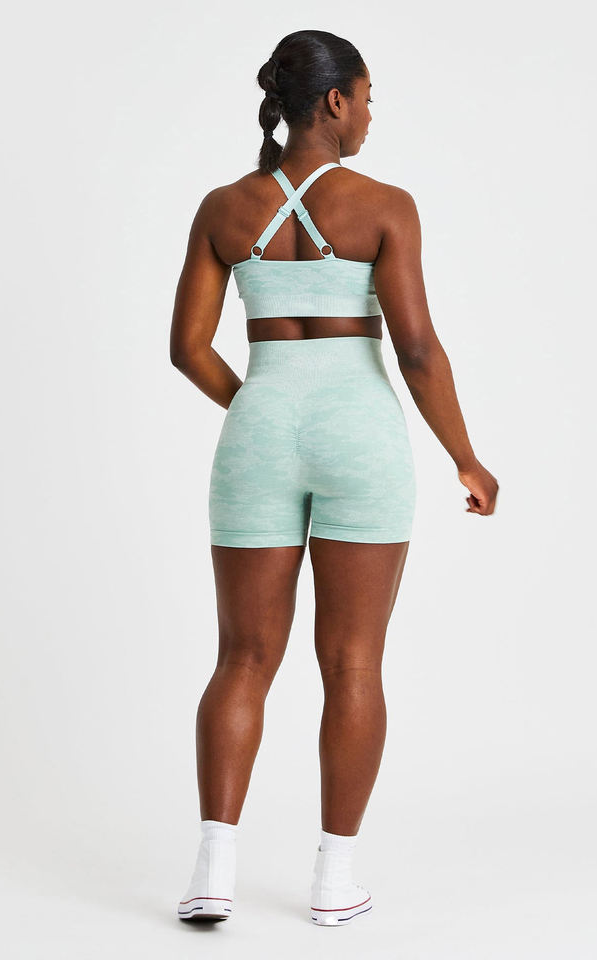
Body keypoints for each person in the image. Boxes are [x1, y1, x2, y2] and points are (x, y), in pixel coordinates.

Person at [169, 30, 499, 927]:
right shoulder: (385, 205)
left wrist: (259, 408)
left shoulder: (223, 208)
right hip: (360, 432)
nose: (371, 116)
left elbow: (188, 348)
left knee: (242, 658)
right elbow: (418, 350)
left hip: (259, 430)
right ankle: (332, 880)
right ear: (335, 102)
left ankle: (212, 871)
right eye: (367, 98)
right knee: (353, 660)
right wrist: (466, 457)